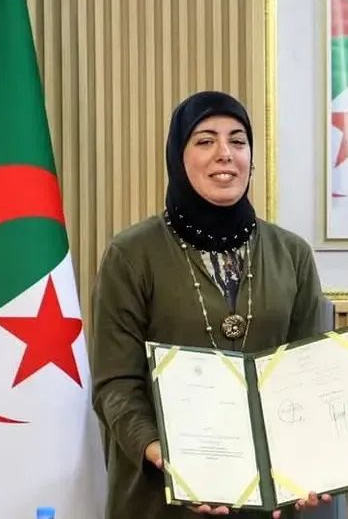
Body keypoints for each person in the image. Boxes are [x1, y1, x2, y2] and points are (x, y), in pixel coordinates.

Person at [90, 91, 330, 518]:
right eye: (205, 141)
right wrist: (160, 452)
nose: (225, 154)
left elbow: (309, 376)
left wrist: (311, 463)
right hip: (163, 496)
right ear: (177, 157)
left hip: (268, 499)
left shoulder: (291, 254)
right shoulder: (131, 254)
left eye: (238, 141)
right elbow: (116, 385)